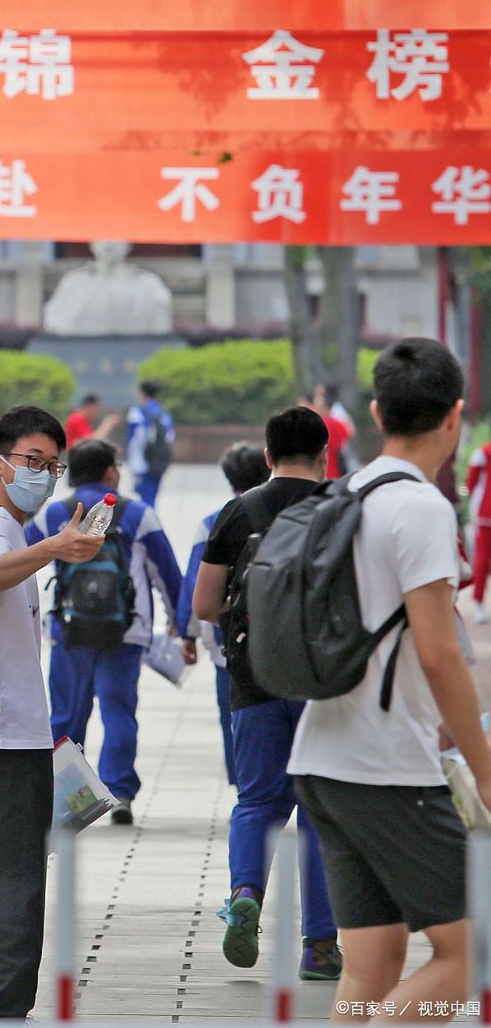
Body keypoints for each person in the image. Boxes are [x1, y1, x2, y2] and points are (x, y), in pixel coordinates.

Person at [289, 338, 491, 1021]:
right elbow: (439, 656)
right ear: (454, 415)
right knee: (468, 962)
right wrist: (486, 773)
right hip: (387, 770)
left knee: (371, 966)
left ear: (376, 411)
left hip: (320, 757)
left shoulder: (343, 493)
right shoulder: (422, 509)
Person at [0, 405, 104, 1021]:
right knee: (22, 874)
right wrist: (57, 545)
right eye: (34, 462)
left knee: (2, 862)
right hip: (0, 733)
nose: (45, 475)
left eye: (53, 466)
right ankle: (9, 1006)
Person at [193, 406, 341, 980]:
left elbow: (205, 606)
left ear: (267, 455)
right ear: (325, 454)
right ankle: (321, 947)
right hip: (324, 685)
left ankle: (246, 893)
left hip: (253, 679)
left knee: (257, 802)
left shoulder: (240, 510)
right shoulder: (342, 510)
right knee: (320, 813)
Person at [26, 437, 187, 825]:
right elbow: (168, 577)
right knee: (119, 713)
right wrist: (182, 628)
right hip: (125, 631)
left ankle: (66, 799)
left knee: (66, 716)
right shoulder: (137, 514)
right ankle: (119, 794)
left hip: (70, 630)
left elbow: (20, 563)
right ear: (112, 471)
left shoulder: (55, 514)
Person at [176, 443, 270, 789]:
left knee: (232, 716)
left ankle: (243, 784)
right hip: (284, 635)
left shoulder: (215, 519)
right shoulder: (292, 510)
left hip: (227, 642)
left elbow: (194, 583)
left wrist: (187, 634)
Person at [126, 380, 174, 508]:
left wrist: (132, 461)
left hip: (142, 460)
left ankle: (148, 522)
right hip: (159, 460)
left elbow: (133, 440)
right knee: (153, 496)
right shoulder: (164, 412)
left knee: (145, 497)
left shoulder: (137, 412)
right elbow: (170, 436)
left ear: (142, 393)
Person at [466, 436, 491, 623]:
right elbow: (471, 484)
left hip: (485, 514)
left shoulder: (482, 454)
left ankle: (479, 603)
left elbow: (470, 484)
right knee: (482, 561)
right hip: (485, 516)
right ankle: (478, 603)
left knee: (481, 560)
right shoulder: (482, 454)